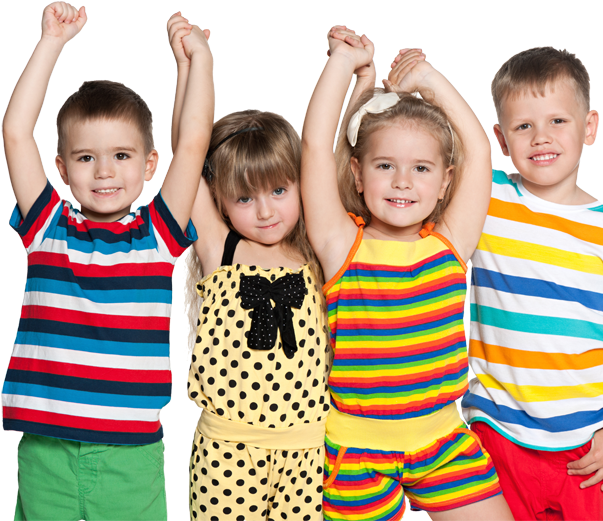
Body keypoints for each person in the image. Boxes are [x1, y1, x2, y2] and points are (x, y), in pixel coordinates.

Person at [1, 4, 214, 519]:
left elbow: (192, 143)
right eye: (85, 157)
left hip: (131, 455)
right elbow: (14, 133)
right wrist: (51, 41)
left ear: (147, 164)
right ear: (62, 167)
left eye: (121, 156)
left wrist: (196, 62)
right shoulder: (48, 225)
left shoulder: (157, 234)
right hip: (45, 449)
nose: (103, 172)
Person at [301, 27, 514, 521]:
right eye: (384, 166)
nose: (402, 181)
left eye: (421, 168)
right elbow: (314, 145)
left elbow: (479, 150)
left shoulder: (450, 244)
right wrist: (342, 61)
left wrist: (428, 79)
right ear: (357, 174)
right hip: (355, 451)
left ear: (445, 183)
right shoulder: (341, 245)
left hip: (443, 441)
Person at [460, 46, 603, 520]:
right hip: (495, 429)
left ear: (589, 127)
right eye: (523, 126)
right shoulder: (489, 197)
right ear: (501, 138)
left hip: (583, 445)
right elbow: (457, 144)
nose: (540, 138)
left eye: (558, 121)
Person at [169, 16, 331, 521]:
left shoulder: (320, 249)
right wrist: (193, 65)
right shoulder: (222, 248)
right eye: (245, 197)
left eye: (279, 191)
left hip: (308, 452)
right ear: (220, 198)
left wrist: (360, 79)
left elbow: (332, 153)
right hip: (227, 452)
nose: (265, 212)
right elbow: (186, 153)